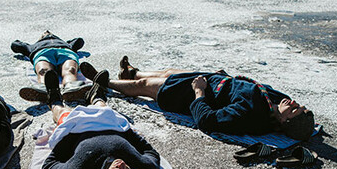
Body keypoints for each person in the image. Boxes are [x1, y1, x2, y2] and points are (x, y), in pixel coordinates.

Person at [79, 56, 315, 141]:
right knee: (168, 72)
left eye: (294, 110)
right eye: (298, 105)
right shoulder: (280, 100)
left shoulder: (250, 115)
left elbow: (208, 121)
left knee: (146, 86)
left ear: (284, 123)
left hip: (189, 93)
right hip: (216, 80)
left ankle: (104, 82)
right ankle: (132, 71)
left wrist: (199, 91)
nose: (293, 103)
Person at [40, 68, 163, 169]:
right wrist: (129, 133)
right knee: (104, 108)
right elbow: (150, 152)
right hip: (111, 125)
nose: (122, 165)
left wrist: (69, 137)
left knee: (64, 115)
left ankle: (54, 100)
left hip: (77, 130)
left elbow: (49, 165)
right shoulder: (146, 168)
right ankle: (96, 96)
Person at [11, 30, 91, 101]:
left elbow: (79, 41)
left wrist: (63, 41)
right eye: (44, 33)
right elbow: (15, 45)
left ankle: (72, 88)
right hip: (43, 52)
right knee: (44, 71)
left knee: (70, 69)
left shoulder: (66, 44)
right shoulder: (33, 46)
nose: (47, 32)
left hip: (65, 51)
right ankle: (43, 89)